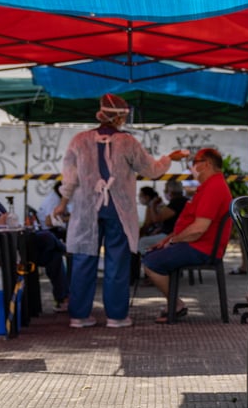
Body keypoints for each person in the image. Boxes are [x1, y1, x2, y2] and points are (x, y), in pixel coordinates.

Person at [54, 93, 188, 329]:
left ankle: (79, 316)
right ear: (118, 117)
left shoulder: (78, 140)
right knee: (117, 262)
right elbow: (153, 170)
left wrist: (63, 203)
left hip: (87, 210)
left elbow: (70, 177)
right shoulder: (128, 142)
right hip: (119, 211)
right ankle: (116, 316)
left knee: (84, 260)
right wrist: (169, 158)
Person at [141, 148, 233, 322]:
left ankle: (176, 304)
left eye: (194, 162)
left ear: (206, 164)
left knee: (150, 263)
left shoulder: (214, 187)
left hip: (201, 248)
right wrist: (166, 240)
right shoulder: (209, 186)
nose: (191, 167)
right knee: (152, 254)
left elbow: (198, 229)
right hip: (196, 244)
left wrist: (173, 241)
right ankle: (175, 303)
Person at [0, 165, 71, 311]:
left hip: (17, 244)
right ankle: (65, 249)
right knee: (47, 236)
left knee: (52, 255)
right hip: (3, 250)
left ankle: (63, 298)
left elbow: (8, 219)